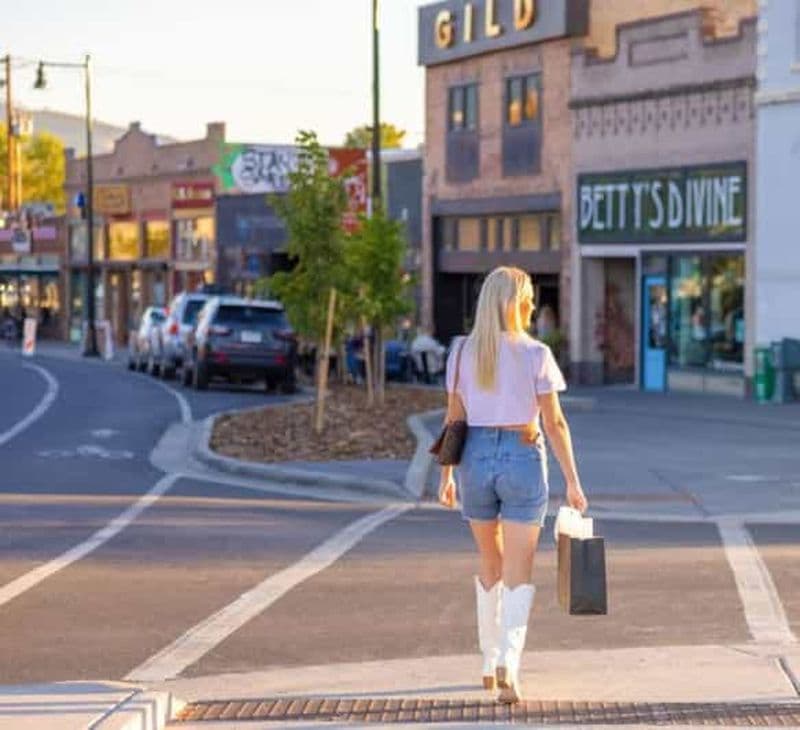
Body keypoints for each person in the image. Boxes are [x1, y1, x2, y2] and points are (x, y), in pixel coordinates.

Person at [438, 266, 588, 704]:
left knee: (491, 563)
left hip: (474, 459)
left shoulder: (462, 351)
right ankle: (510, 662)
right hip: (523, 454)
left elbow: (454, 420)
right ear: (517, 302)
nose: (531, 304)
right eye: (527, 297)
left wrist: (446, 476)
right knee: (519, 573)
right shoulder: (536, 353)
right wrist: (573, 482)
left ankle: (488, 661)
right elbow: (555, 422)